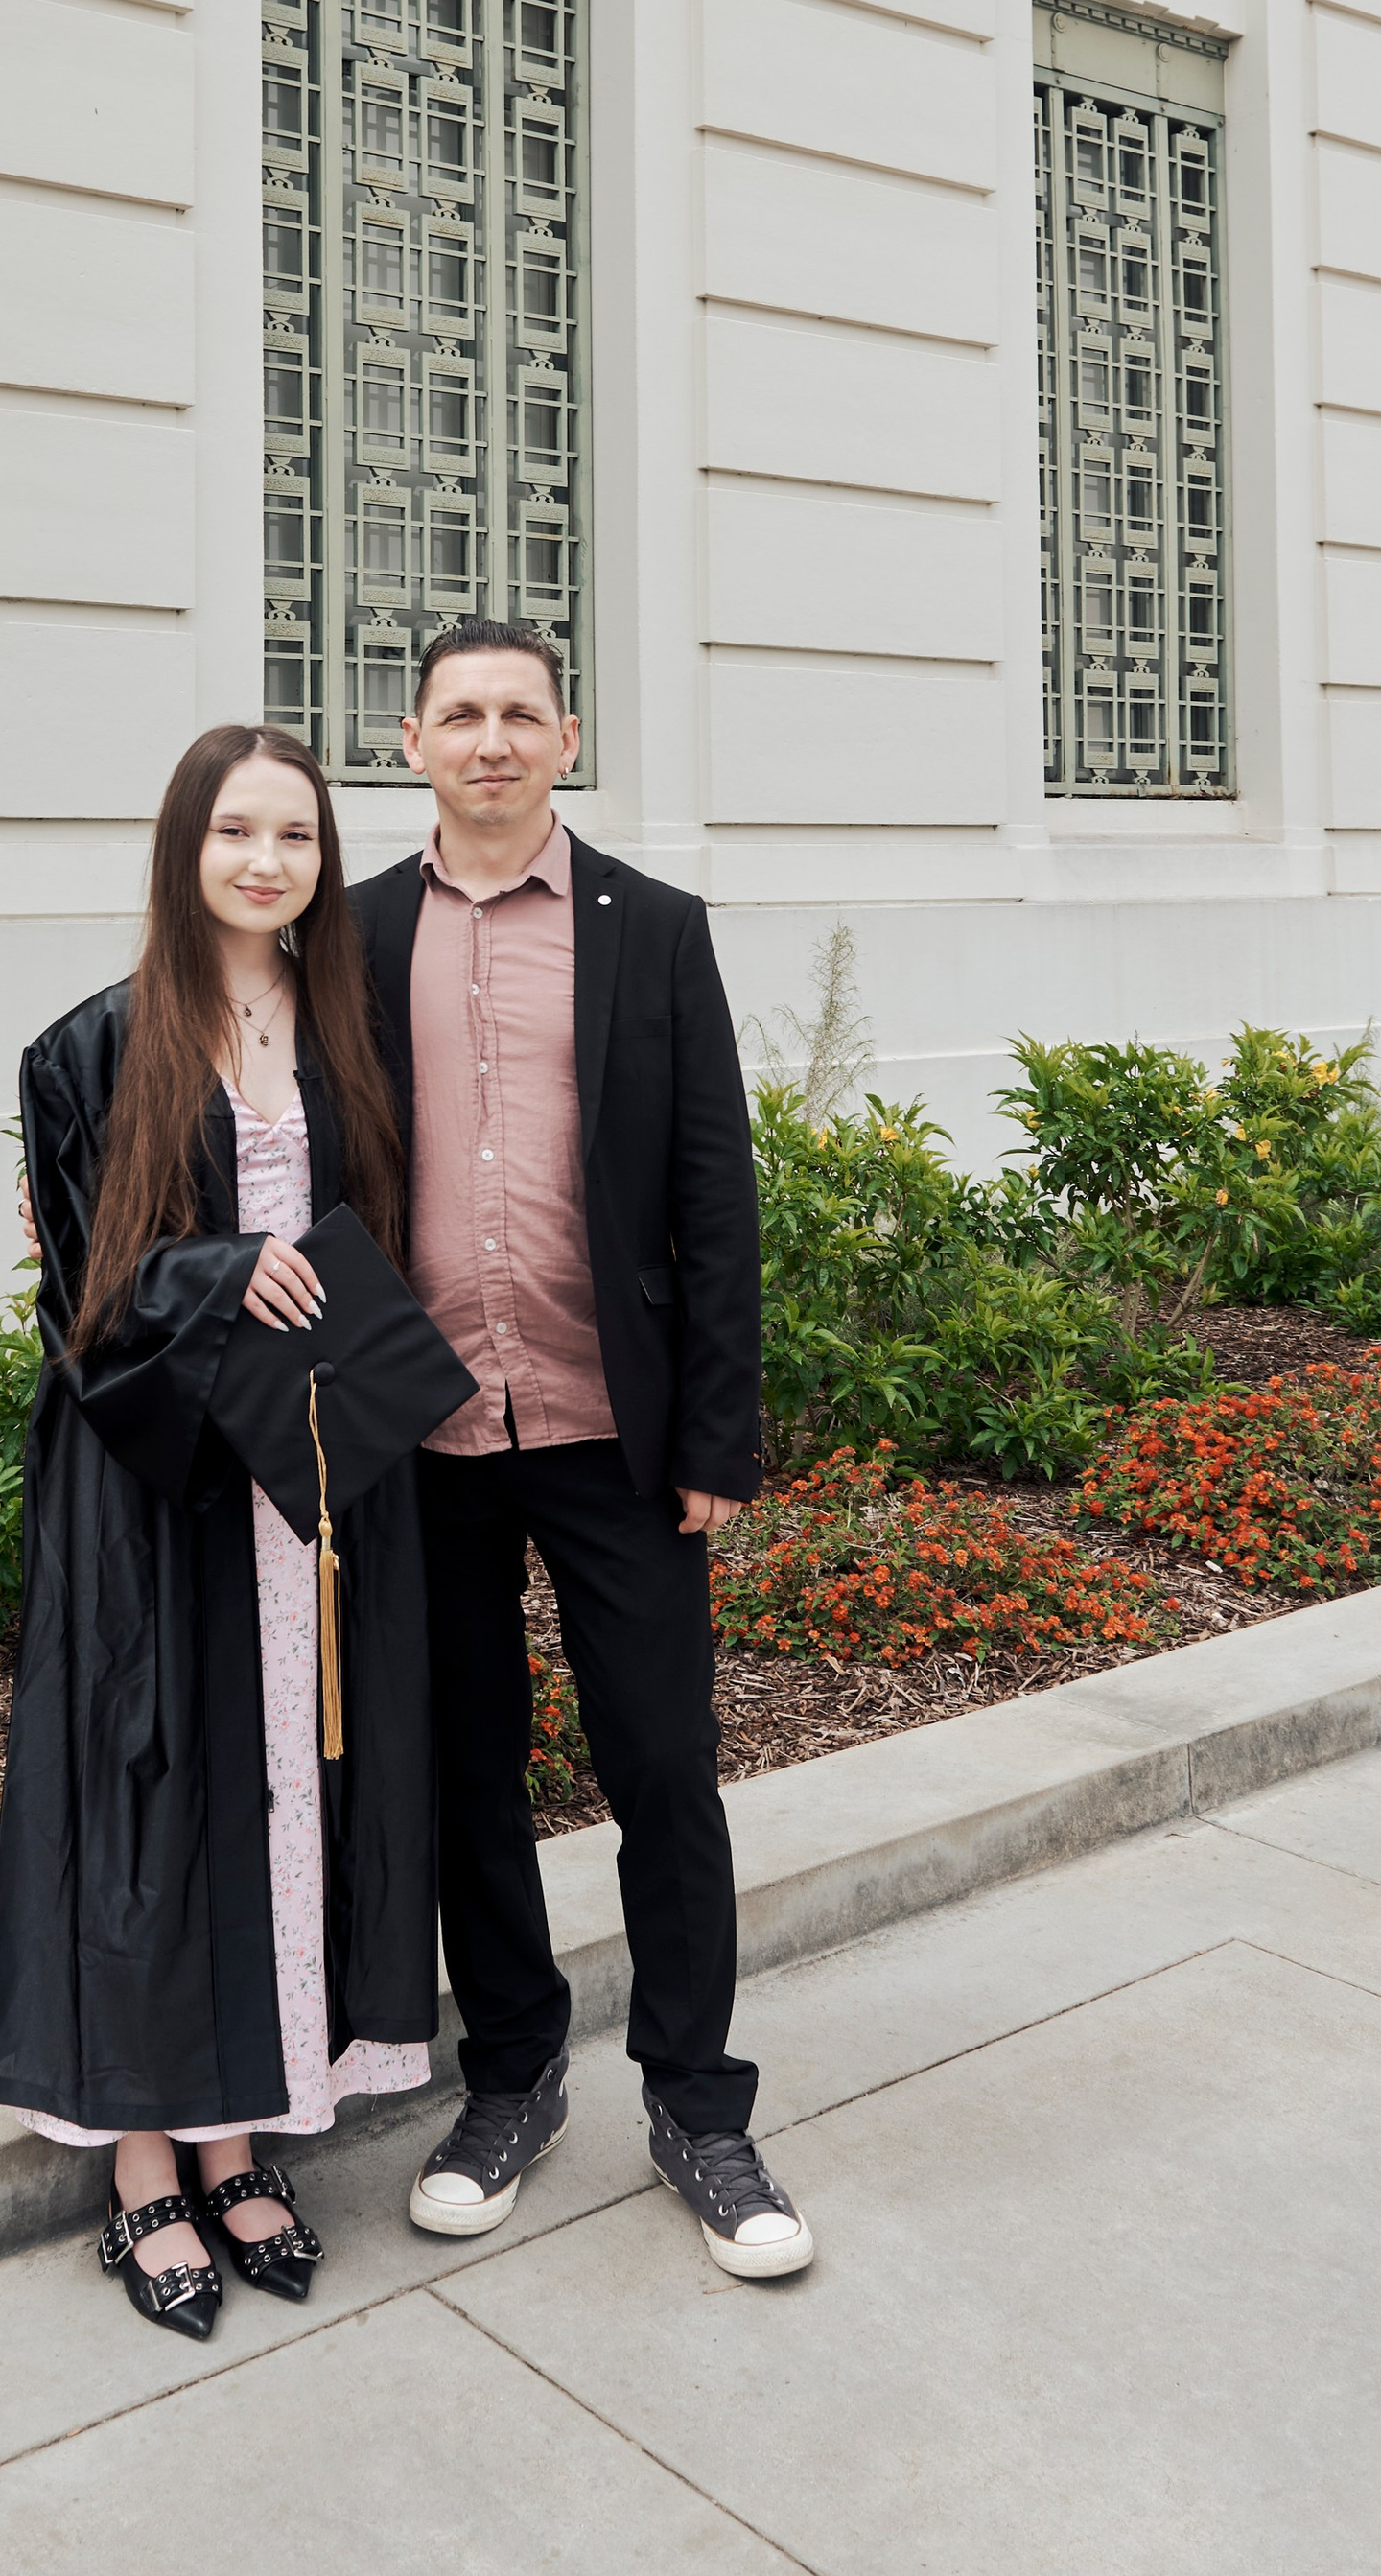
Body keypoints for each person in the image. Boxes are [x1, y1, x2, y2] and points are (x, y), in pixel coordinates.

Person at [351, 618, 814, 2279]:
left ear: (567, 736)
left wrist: (718, 1439)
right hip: (427, 1439)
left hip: (616, 1432)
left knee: (663, 1774)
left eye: (519, 714)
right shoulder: (350, 936)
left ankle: (698, 2103)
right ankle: (513, 2077)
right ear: (410, 741)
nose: (489, 739)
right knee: (468, 1776)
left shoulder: (655, 931)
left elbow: (715, 1203)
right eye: (459, 715)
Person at [0, 725, 439, 2341]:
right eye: (235, 831)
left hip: (309, 1486)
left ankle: (246, 2140)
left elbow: (392, 1241)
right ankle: (144, 2170)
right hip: (155, 1490)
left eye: (295, 836)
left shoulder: (349, 1033)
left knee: (284, 1803)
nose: (265, 861)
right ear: (186, 849)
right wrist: (218, 1272)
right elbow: (83, 1306)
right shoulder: (94, 1049)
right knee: (157, 1806)